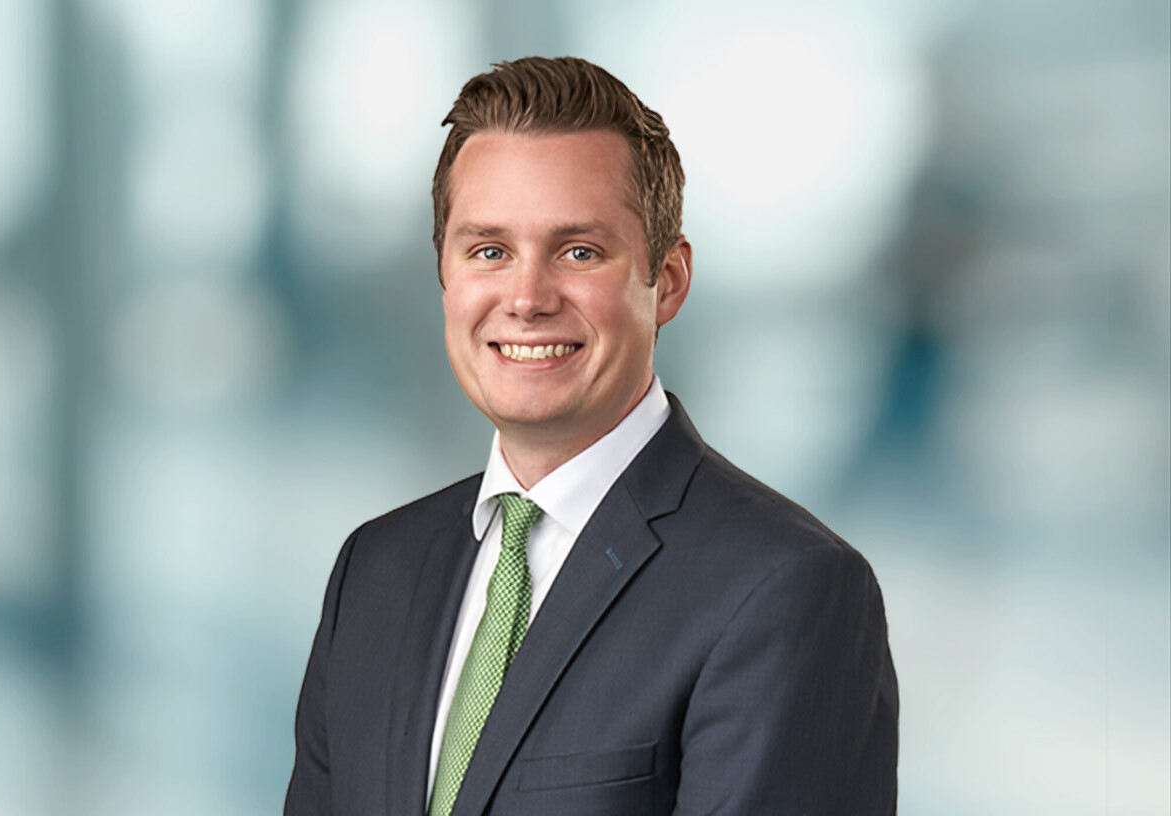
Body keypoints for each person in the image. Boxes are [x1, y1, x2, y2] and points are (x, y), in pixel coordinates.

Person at [285, 56, 898, 816]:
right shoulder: (374, 571)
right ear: (445, 273)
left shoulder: (787, 589)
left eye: (579, 251)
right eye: (489, 251)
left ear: (667, 281)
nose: (527, 298)